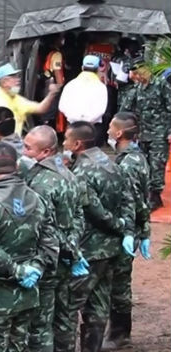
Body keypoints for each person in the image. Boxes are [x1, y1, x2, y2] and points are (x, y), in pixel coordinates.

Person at [0, 142, 58, 352]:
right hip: (25, 297)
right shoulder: (37, 199)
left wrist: (16, 271)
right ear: (16, 166)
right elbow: (51, 242)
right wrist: (35, 268)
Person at [60, 121, 135, 352]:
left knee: (69, 307)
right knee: (99, 305)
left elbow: (93, 210)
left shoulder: (81, 172)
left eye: (66, 140)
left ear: (77, 144)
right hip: (111, 250)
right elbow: (128, 199)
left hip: (89, 250)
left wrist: (118, 226)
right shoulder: (110, 163)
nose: (63, 143)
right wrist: (126, 229)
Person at [22, 125, 85, 352]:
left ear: (46, 151)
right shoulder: (69, 175)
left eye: (28, 148)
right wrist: (73, 248)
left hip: (47, 261)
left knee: (40, 323)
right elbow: (79, 216)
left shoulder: (40, 183)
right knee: (65, 318)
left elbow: (43, 227)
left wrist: (63, 249)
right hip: (67, 259)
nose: (24, 152)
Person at [103, 112, 152, 349]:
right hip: (129, 228)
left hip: (125, 229)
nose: (109, 130)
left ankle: (120, 333)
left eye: (112, 126)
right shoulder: (134, 157)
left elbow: (134, 201)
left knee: (119, 283)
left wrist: (135, 232)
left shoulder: (128, 163)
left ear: (120, 132)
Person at [0, 63, 60, 154]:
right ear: (4, 82)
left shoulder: (18, 100)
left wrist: (51, 94)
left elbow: (40, 109)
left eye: (17, 76)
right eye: (13, 77)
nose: (18, 80)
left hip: (13, 148)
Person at [120, 64, 171, 210]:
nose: (135, 78)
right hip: (143, 133)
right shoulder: (138, 88)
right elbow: (127, 108)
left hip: (159, 132)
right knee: (145, 164)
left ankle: (156, 195)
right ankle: (147, 193)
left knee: (157, 164)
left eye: (137, 74)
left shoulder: (160, 85)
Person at [58, 55, 108, 146]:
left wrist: (74, 118)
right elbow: (101, 110)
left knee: (71, 154)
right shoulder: (101, 87)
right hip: (92, 129)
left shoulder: (71, 84)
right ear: (98, 69)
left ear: (82, 68)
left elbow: (62, 106)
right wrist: (87, 120)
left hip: (73, 127)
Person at [39, 34, 66, 130]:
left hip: (45, 82)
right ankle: (47, 130)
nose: (63, 40)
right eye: (61, 38)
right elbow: (57, 70)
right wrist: (61, 85)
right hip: (53, 84)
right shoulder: (57, 54)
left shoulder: (44, 51)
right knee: (52, 109)